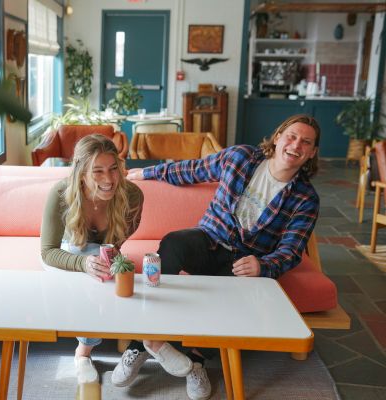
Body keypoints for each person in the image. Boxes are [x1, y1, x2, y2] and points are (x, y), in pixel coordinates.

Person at [115, 114, 321, 400]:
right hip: (208, 240)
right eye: (291, 136)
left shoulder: (305, 198)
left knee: (233, 298)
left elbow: (292, 249)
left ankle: (195, 361)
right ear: (277, 138)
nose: (296, 145)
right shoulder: (240, 158)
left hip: (245, 261)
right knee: (174, 242)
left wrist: (264, 265)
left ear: (312, 153)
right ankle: (142, 342)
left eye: (306, 142)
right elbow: (193, 169)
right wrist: (148, 173)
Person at [40, 134, 192, 384]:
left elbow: (116, 243)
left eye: (113, 169)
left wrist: (108, 259)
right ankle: (83, 352)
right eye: (97, 171)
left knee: (120, 271)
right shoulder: (60, 193)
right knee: (89, 257)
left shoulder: (132, 196)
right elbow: (47, 252)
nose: (109, 179)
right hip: (65, 255)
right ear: (80, 172)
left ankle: (149, 337)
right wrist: (84, 263)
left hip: (98, 252)